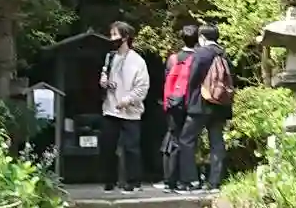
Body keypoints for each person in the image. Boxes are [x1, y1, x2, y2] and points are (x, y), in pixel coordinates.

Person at [177, 24, 233, 192]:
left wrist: (187, 101)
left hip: (200, 104)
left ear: (202, 37)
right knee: (216, 142)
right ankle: (215, 182)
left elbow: (192, 79)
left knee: (186, 140)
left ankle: (190, 180)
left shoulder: (200, 53)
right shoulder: (224, 53)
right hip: (220, 105)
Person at [97, 21, 150, 192]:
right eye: (111, 34)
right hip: (110, 108)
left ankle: (133, 181)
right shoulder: (110, 57)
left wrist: (128, 99)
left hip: (130, 111)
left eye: (115, 35)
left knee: (131, 148)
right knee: (107, 146)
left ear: (125, 37)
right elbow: (104, 75)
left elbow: (142, 87)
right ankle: (109, 180)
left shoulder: (138, 61)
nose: (112, 38)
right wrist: (104, 82)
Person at [159, 25, 200, 191]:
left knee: (173, 140)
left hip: (174, 104)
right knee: (189, 142)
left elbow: (167, 80)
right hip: (192, 105)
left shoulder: (174, 58)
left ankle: (170, 179)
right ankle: (186, 179)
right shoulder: (198, 58)